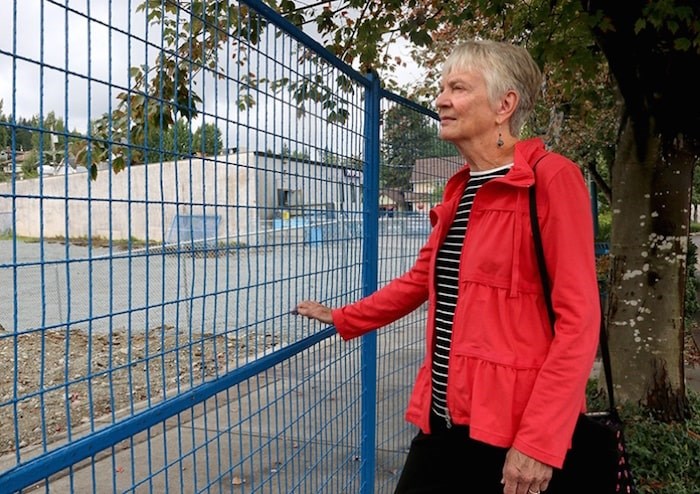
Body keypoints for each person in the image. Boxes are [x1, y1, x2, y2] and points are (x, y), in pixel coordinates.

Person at [294, 39, 600, 494]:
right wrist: (344, 316)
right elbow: (421, 280)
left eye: (457, 87)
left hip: (511, 432)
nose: (440, 99)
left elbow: (579, 321)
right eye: (441, 87)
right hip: (443, 418)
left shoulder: (551, 179)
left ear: (504, 105)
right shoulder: (458, 191)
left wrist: (538, 442)